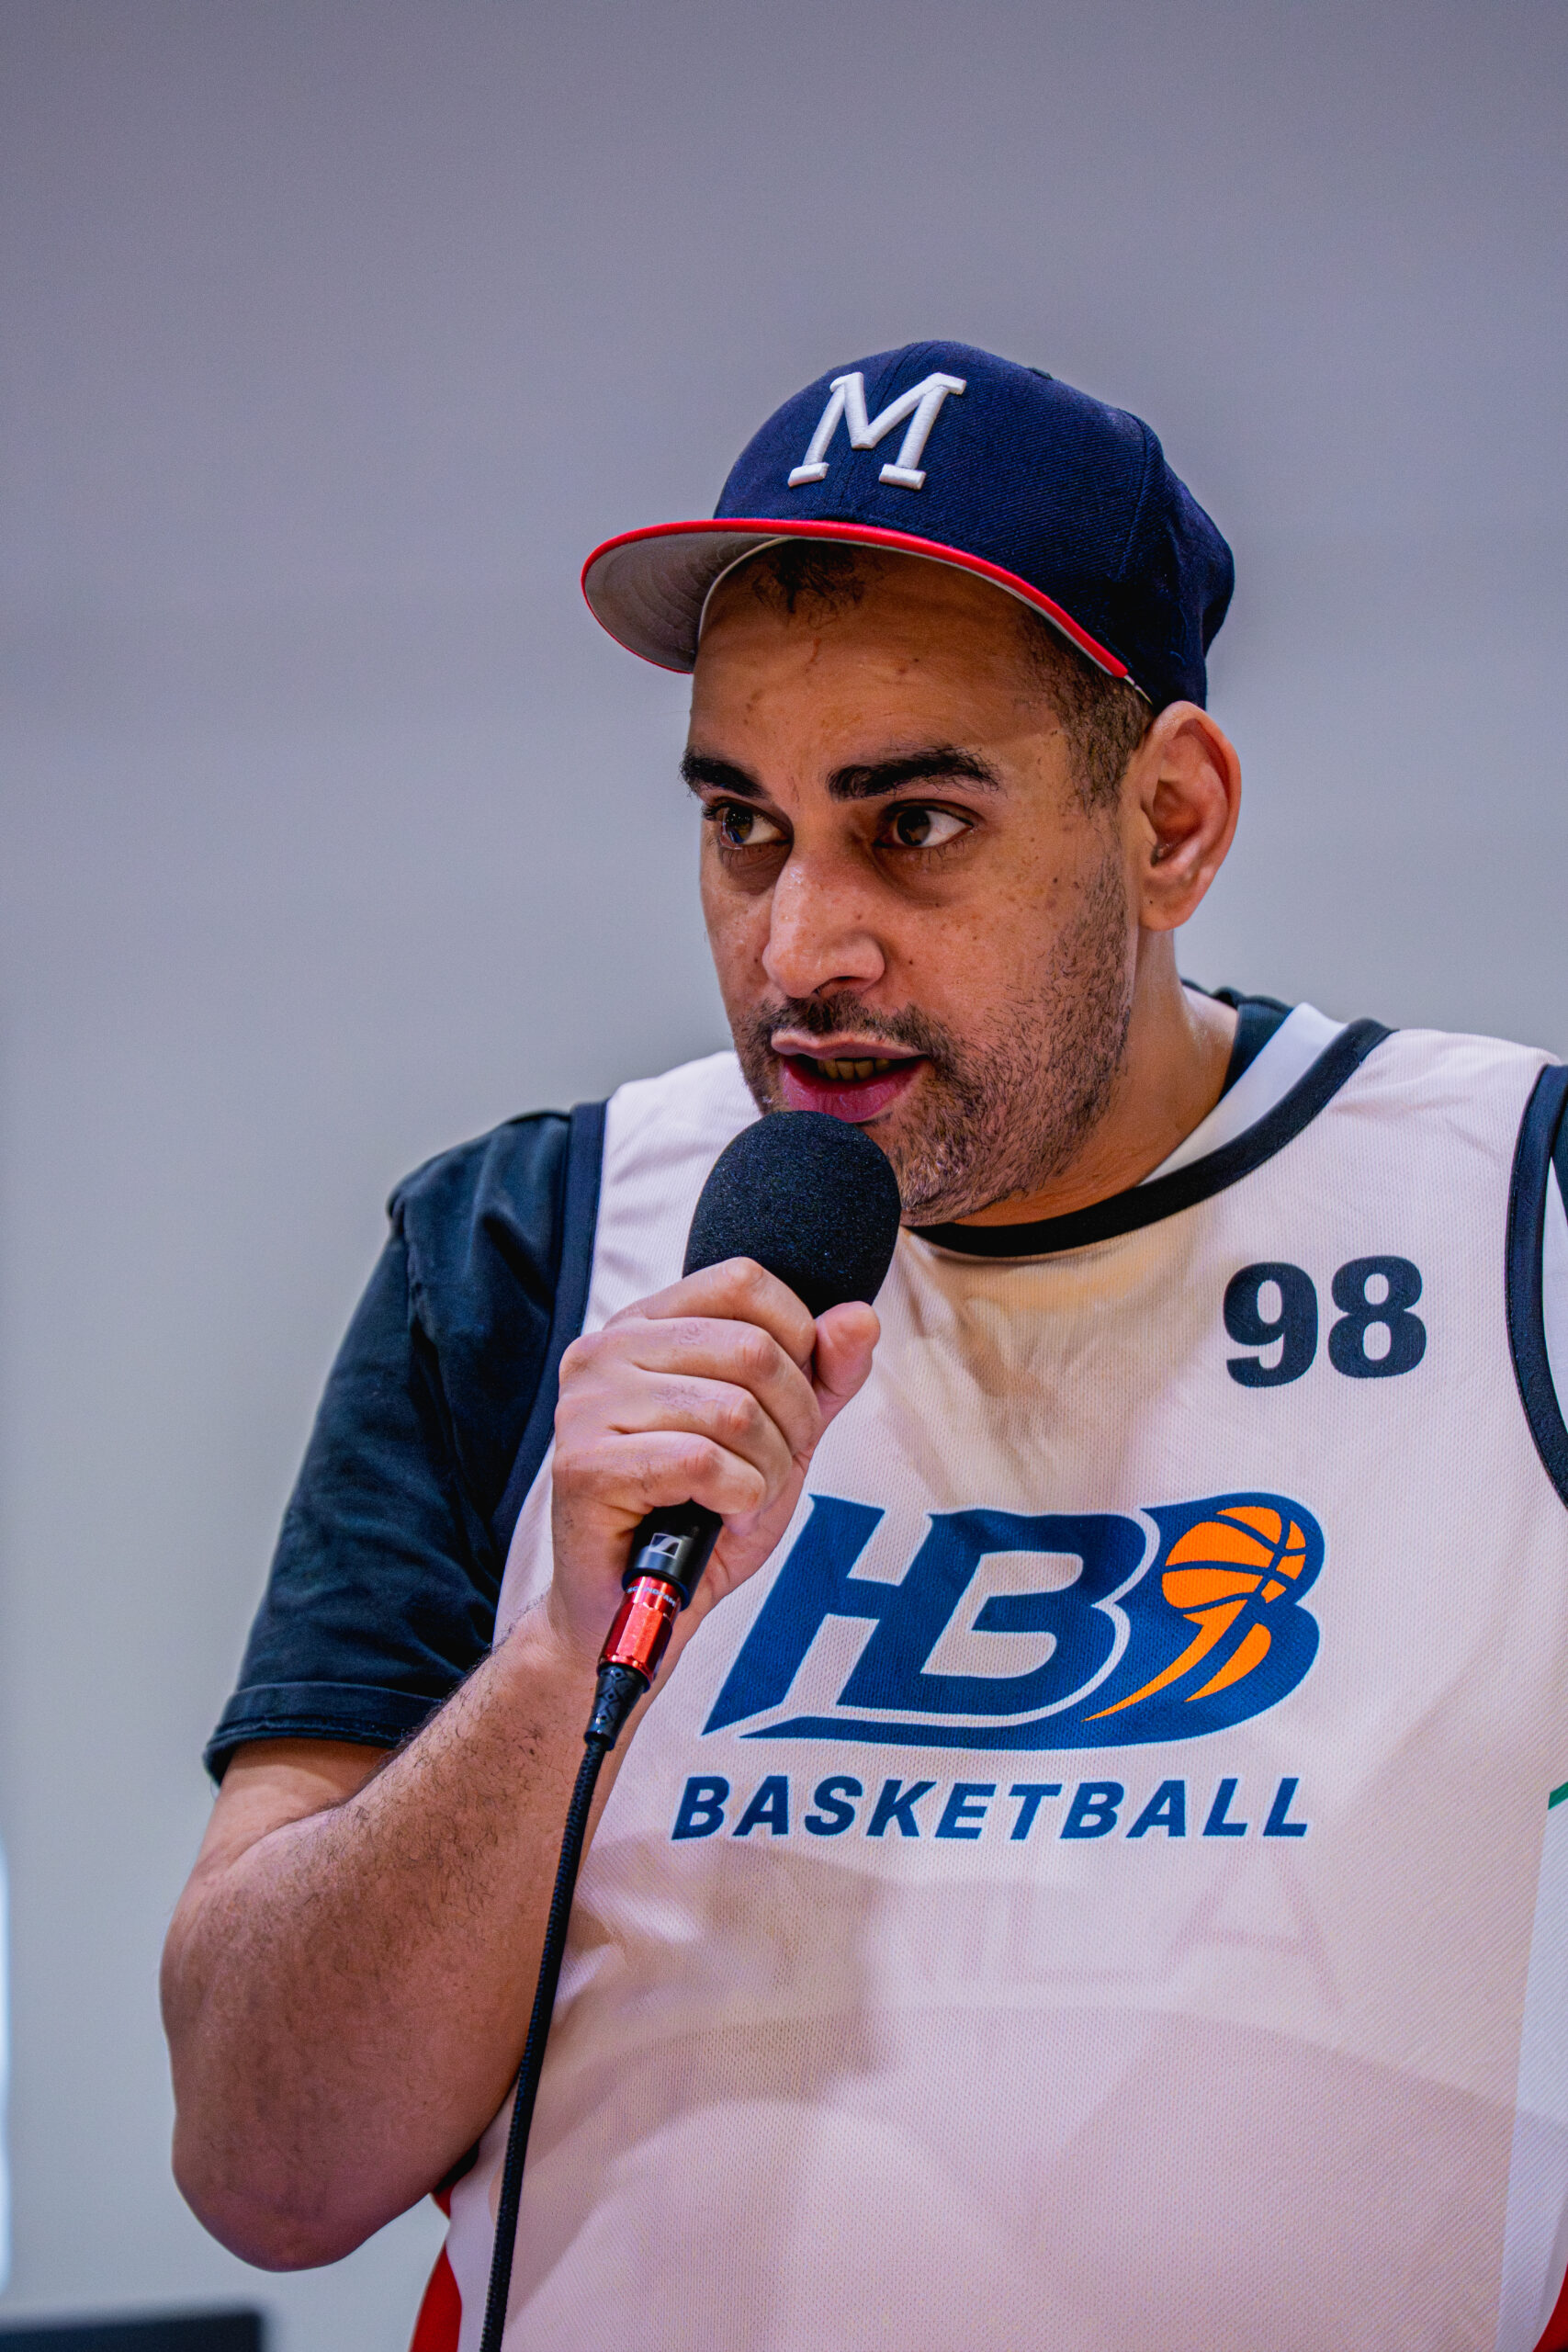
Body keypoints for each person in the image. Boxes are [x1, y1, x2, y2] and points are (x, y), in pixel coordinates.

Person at [161, 342, 1568, 2352]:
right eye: (742, 823)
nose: (795, 947)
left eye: (911, 823)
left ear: (1169, 821)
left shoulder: (1518, 1210)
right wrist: (563, 1658)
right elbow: (265, 2162)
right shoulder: (529, 1240)